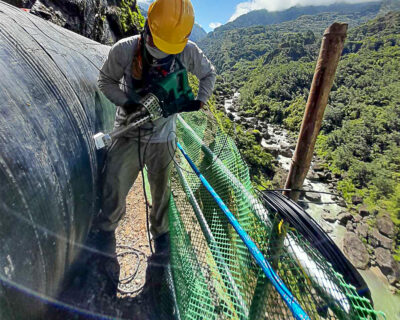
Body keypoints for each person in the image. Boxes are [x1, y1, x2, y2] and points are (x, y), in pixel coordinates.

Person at [95, 0, 216, 259]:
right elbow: (105, 81)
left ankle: (161, 236)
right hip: (128, 132)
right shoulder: (124, 50)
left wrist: (200, 101)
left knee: (161, 192)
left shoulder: (186, 51)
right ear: (148, 28)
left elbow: (208, 74)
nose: (163, 51)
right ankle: (107, 230)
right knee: (115, 182)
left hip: (163, 136)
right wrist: (128, 104)